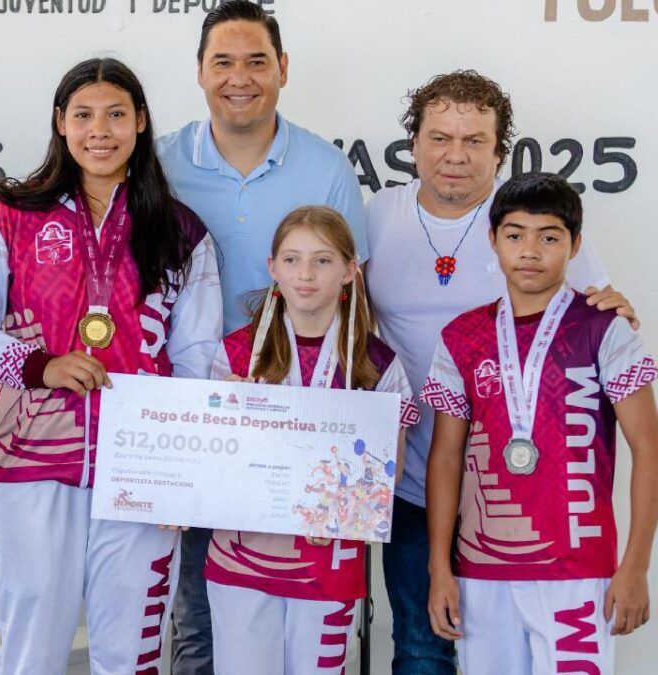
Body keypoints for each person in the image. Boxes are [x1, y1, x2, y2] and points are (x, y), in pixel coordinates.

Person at [364, 70, 637, 674]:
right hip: (415, 478)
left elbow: (597, 311)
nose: (455, 156)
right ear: (414, 145)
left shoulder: (526, 221)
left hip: (528, 492)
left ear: (499, 149)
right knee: (419, 645)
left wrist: (620, 307)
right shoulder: (378, 216)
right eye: (439, 137)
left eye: (474, 141)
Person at [0, 57, 222, 674]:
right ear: (60, 122)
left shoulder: (180, 231)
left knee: (130, 656)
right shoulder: (9, 215)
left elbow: (197, 360)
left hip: (143, 470)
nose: (99, 130)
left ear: (140, 123)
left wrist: (181, 473)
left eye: (115, 115)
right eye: (83, 115)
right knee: (32, 651)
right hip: (31, 464)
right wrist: (39, 365)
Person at [157, 3, 367, 668]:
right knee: (198, 614)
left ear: (283, 69)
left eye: (256, 61)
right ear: (198, 72)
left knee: (303, 621)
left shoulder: (327, 167)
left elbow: (358, 296)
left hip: (304, 428)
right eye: (222, 61)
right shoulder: (159, 165)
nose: (239, 77)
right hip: (198, 414)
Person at [421, 172, 658, 674]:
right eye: (515, 234)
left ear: (574, 244)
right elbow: (444, 459)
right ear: (493, 240)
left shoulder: (603, 329)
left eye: (549, 237)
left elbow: (649, 447)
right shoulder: (463, 336)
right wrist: (439, 568)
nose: (530, 250)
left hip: (577, 566)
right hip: (481, 569)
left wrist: (636, 565)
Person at [206, 206, 417, 674]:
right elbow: (212, 464)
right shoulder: (237, 354)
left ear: (349, 270)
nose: (305, 275)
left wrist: (345, 504)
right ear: (272, 268)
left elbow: (390, 471)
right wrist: (228, 415)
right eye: (292, 259)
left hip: (328, 563)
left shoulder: (376, 364)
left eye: (322, 261)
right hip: (242, 562)